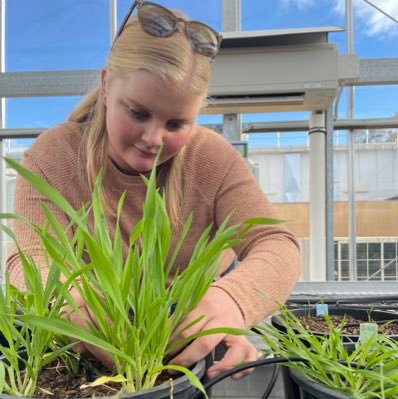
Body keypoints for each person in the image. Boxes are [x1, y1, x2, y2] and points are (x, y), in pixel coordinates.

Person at [7, 0, 301, 381]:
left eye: (177, 123)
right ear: (105, 84)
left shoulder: (210, 157)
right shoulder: (55, 154)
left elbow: (276, 243)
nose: (153, 138)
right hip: (84, 346)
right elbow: (27, 257)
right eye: (138, 112)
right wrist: (64, 296)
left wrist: (232, 300)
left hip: (186, 347)